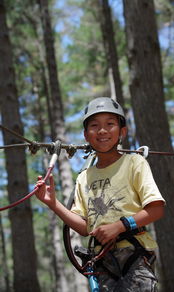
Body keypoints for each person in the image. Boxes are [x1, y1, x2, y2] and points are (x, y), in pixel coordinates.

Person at [36, 97, 165, 292]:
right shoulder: (84, 177)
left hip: (136, 255)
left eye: (110, 124)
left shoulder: (134, 163)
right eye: (94, 126)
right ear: (86, 135)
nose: (102, 130)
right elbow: (85, 227)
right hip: (102, 262)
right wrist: (53, 204)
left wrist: (119, 226)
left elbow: (156, 209)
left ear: (122, 131)